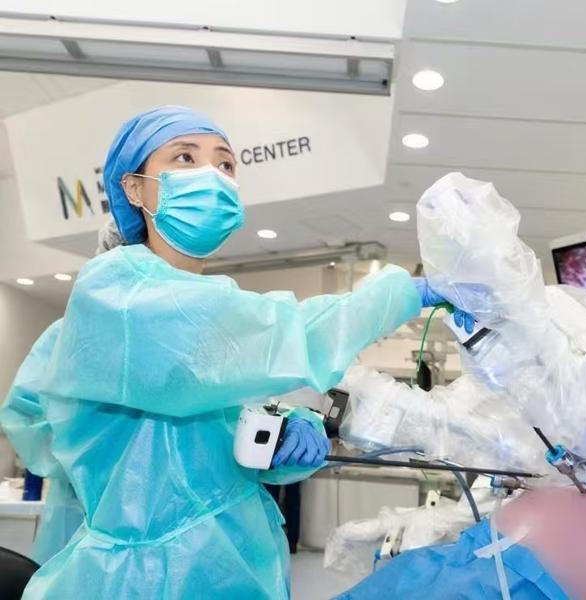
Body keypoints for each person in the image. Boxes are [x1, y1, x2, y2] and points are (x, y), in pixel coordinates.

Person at [0, 105, 473, 598]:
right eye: (185, 157)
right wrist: (399, 295)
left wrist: (283, 436)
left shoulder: (210, 320)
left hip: (233, 562)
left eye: (225, 163)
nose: (211, 174)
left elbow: (214, 424)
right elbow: (277, 335)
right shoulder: (116, 293)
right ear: (134, 188)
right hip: (145, 579)